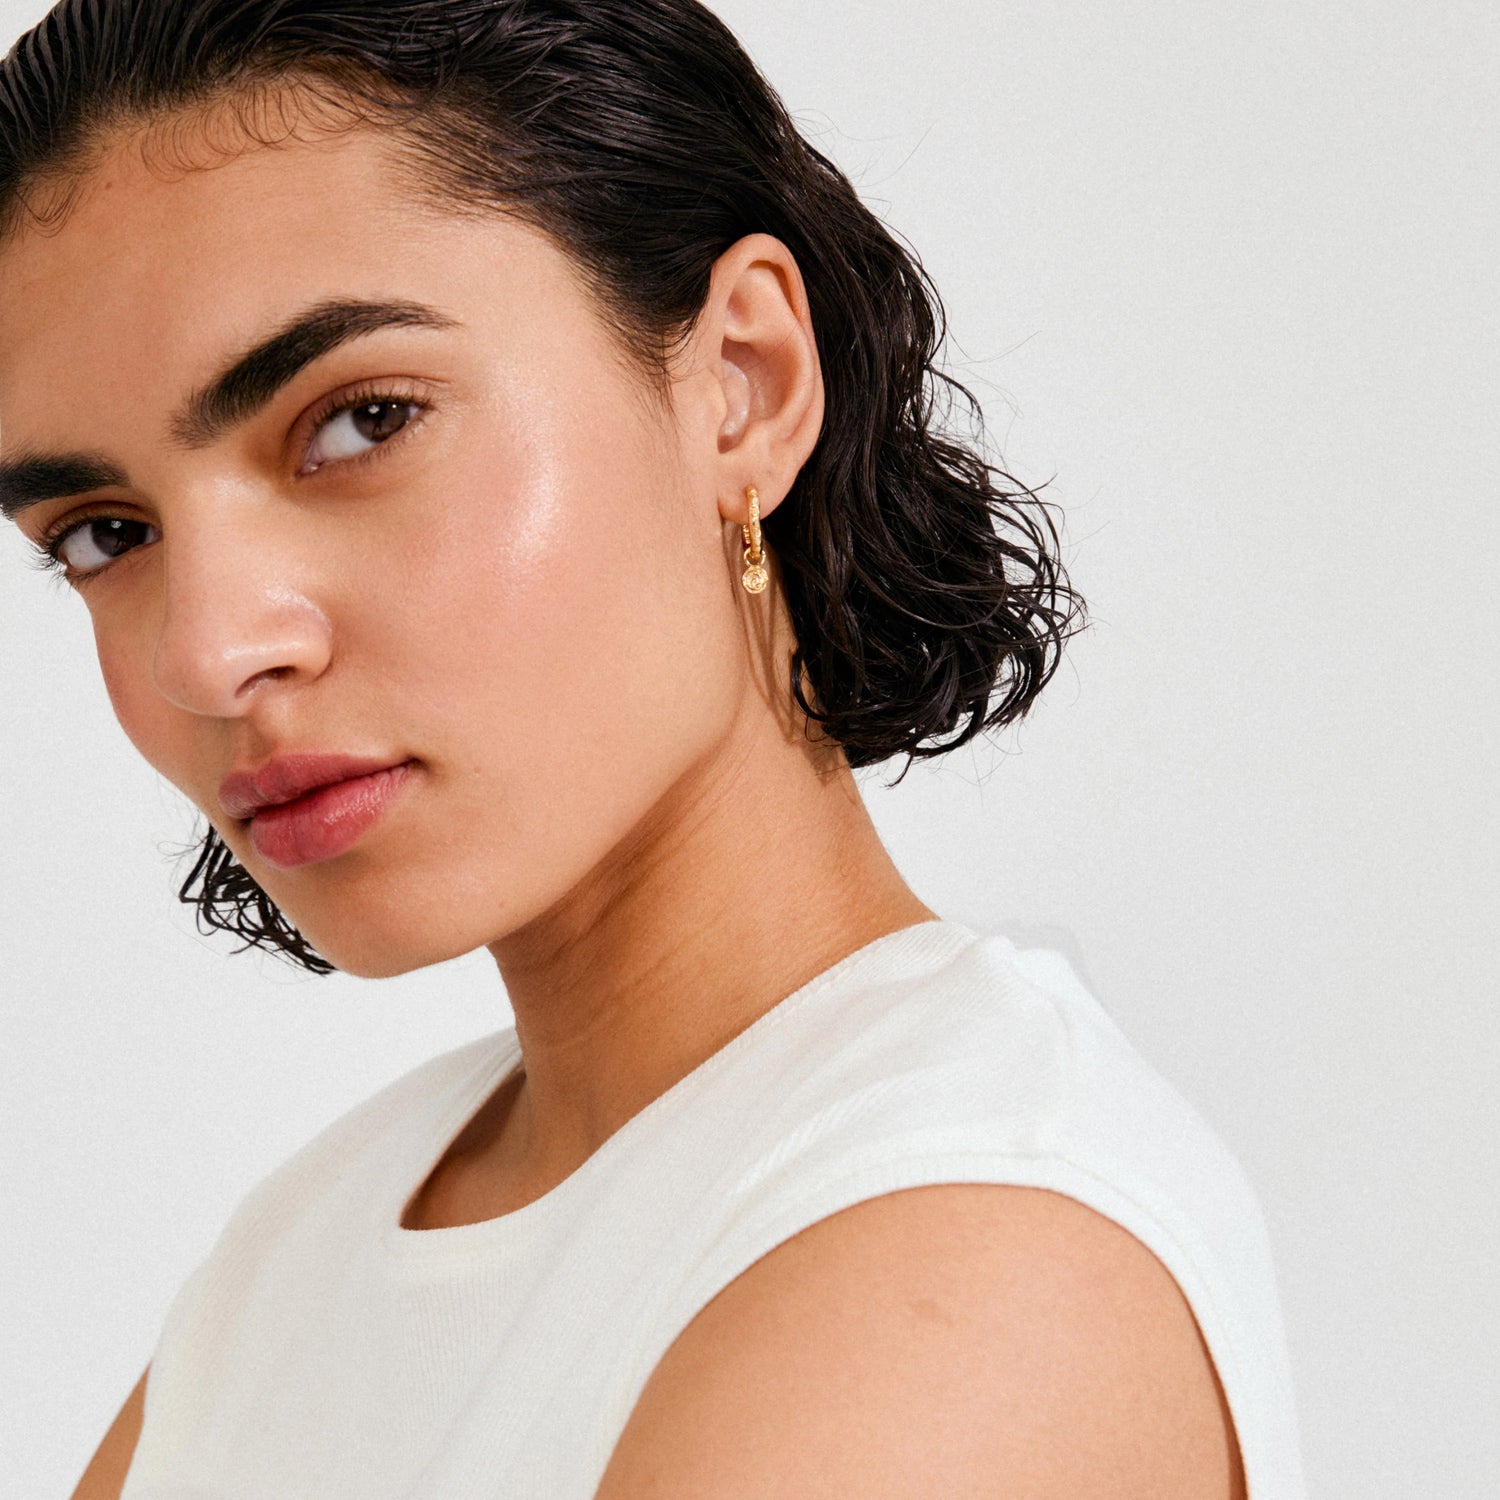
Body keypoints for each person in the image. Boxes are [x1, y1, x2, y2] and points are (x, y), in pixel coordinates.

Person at [0, 1, 1306, 1495]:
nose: (208, 651)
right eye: (105, 534)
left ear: (741, 381)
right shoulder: (298, 1254)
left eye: (360, 422)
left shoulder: (970, 1236)